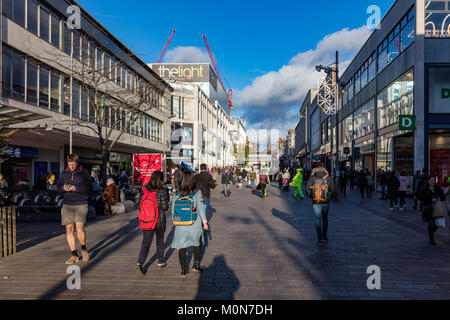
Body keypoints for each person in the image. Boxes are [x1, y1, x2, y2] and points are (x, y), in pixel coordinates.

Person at [171, 171, 208, 277]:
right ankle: (195, 265)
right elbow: (201, 208)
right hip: (194, 223)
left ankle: (183, 270)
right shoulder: (197, 192)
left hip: (180, 224)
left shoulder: (177, 193)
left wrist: (176, 220)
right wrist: (204, 222)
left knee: (182, 246)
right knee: (198, 241)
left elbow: (173, 209)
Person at [57, 154, 92, 264]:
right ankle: (74, 255)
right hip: (67, 204)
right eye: (69, 164)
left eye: (73, 164)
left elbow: (89, 188)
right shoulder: (64, 173)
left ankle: (83, 248)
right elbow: (58, 187)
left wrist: (76, 188)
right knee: (69, 230)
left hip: (81, 203)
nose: (71, 166)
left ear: (77, 163)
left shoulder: (84, 173)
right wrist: (63, 188)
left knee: (80, 229)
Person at [136, 171, 170, 276]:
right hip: (159, 220)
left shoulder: (144, 189)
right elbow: (165, 207)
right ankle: (160, 261)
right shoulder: (162, 190)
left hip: (146, 219)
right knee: (159, 241)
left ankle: (140, 262)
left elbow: (139, 204)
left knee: (146, 242)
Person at [306, 163, 336, 246]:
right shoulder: (328, 177)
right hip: (326, 201)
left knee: (318, 219)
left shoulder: (312, 177)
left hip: (316, 201)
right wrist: (329, 197)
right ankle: (324, 236)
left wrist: (312, 196)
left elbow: (307, 188)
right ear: (324, 168)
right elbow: (333, 190)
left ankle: (319, 239)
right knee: (325, 218)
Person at [419, 176, 446, 246]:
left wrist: (439, 198)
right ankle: (431, 239)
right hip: (428, 208)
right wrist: (431, 200)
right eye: (431, 180)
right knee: (431, 223)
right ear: (428, 181)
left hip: (437, 207)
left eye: (434, 180)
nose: (433, 181)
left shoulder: (438, 188)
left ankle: (431, 233)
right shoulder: (424, 189)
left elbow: (443, 196)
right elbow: (422, 197)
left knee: (437, 224)